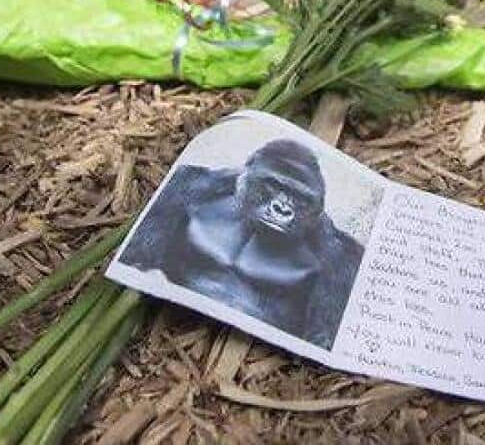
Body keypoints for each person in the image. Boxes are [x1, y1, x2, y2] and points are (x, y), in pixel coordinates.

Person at [119, 139, 363, 349]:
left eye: (299, 198)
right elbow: (131, 263)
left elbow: (322, 344)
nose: (282, 208)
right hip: (161, 327)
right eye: (274, 186)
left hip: (257, 351)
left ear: (317, 208)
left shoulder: (338, 258)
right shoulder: (188, 190)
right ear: (246, 174)